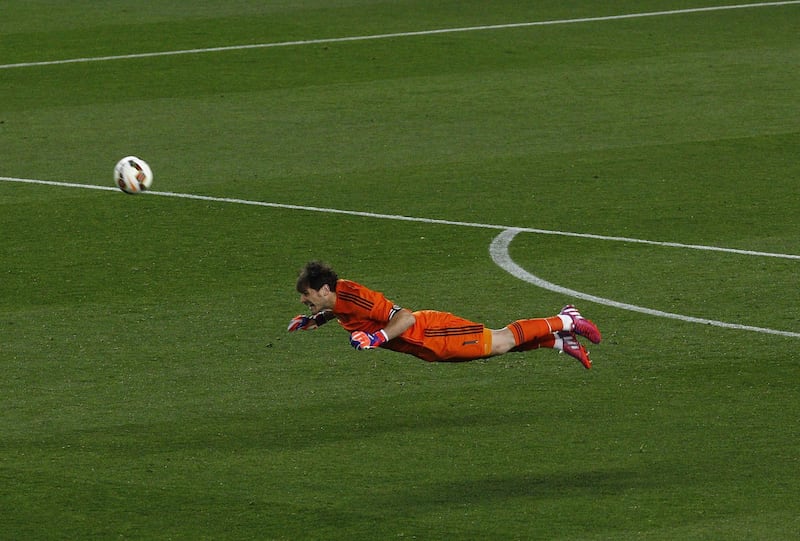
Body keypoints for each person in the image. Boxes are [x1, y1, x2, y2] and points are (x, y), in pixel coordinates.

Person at [287, 261, 601, 369]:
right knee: (494, 348)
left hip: (432, 332)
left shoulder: (356, 296)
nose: (303, 299)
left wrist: (376, 338)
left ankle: (565, 319)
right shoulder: (339, 300)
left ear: (325, 289)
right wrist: (316, 319)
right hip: (425, 346)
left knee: (501, 341)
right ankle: (559, 341)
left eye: (307, 295)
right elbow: (350, 314)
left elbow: (405, 318)